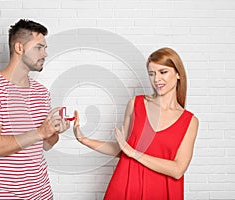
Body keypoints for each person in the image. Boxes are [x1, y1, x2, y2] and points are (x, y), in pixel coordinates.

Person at [73, 47, 199, 200]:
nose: (156, 79)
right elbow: (122, 149)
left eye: (163, 72)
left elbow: (178, 169)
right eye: (151, 74)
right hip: (126, 185)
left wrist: (134, 153)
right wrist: (84, 139)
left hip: (161, 192)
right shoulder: (135, 104)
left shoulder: (189, 121)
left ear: (178, 73)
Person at [0, 19, 70, 200]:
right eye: (39, 47)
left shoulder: (41, 92)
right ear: (19, 48)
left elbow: (45, 145)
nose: (45, 53)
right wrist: (40, 132)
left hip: (42, 194)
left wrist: (53, 132)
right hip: (3, 195)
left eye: (45, 48)